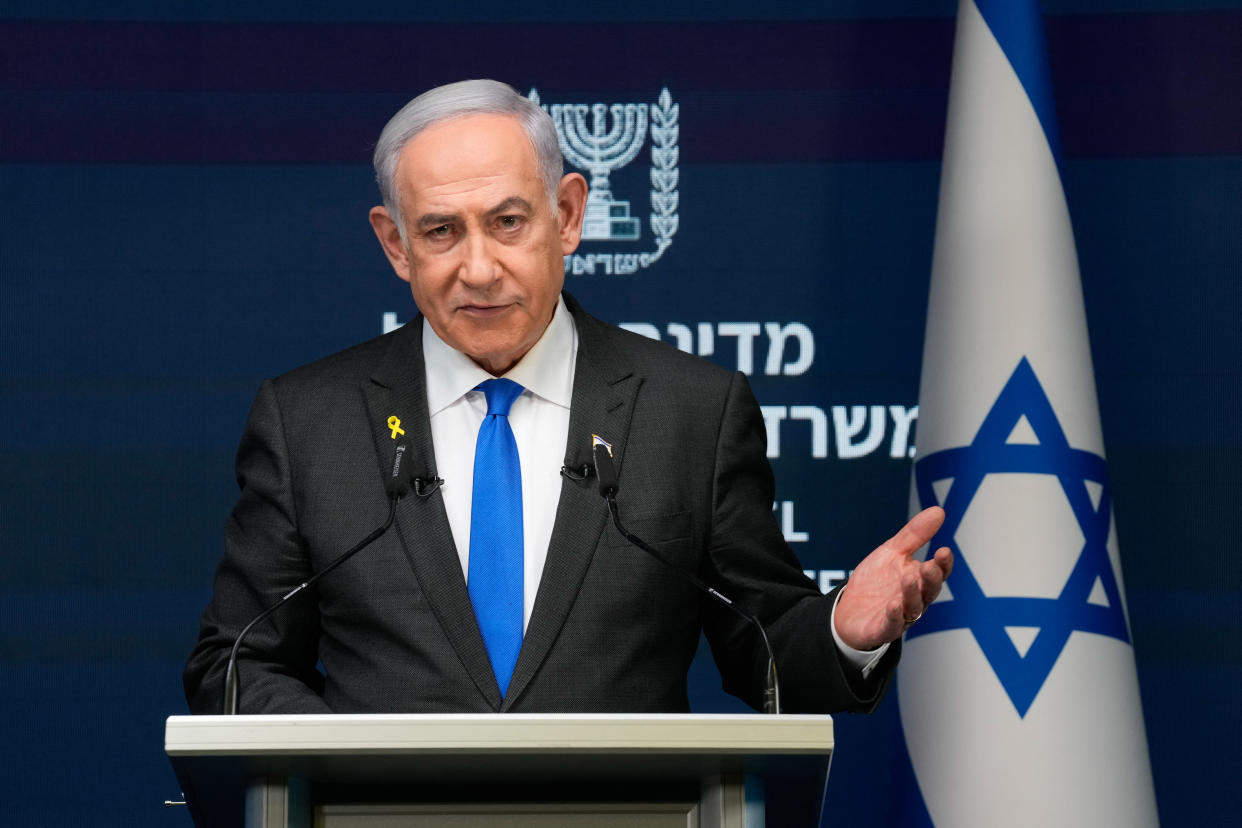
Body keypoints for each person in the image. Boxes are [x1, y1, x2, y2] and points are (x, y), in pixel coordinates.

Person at [184, 79, 952, 715]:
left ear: (569, 215)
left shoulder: (690, 413)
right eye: (442, 231)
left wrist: (847, 632)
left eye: (508, 222)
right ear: (396, 245)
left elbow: (766, 650)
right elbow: (236, 663)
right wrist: (351, 763)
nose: (478, 268)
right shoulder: (308, 421)